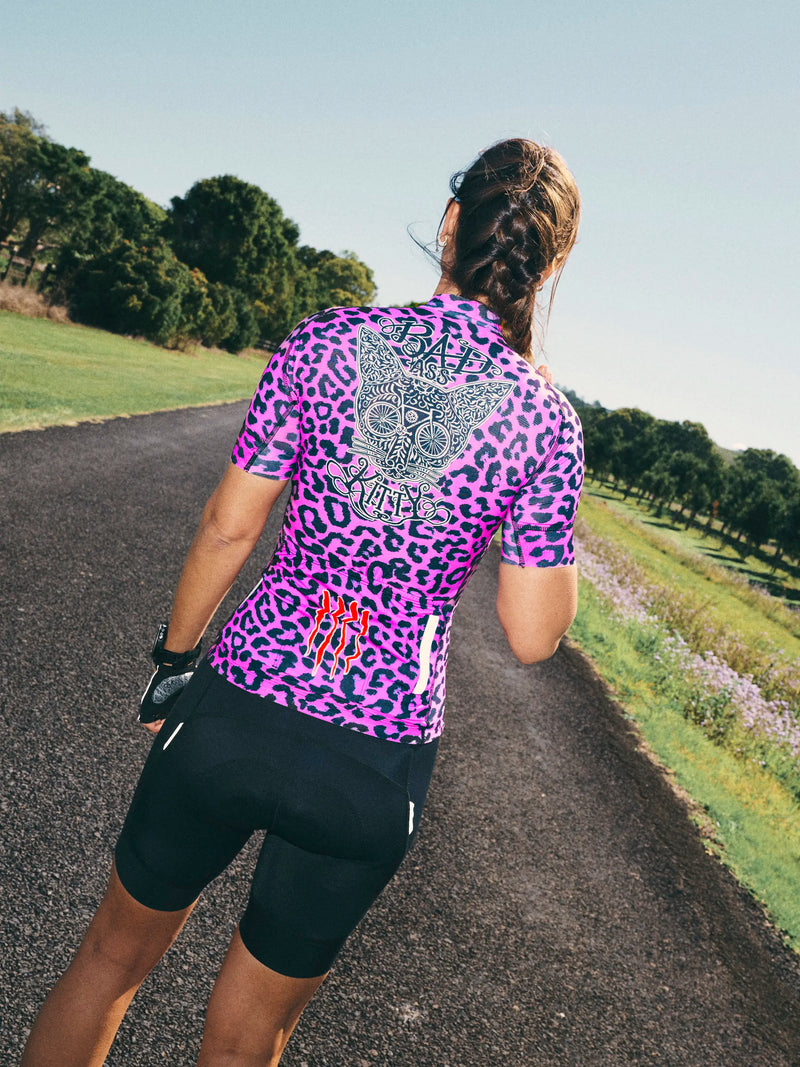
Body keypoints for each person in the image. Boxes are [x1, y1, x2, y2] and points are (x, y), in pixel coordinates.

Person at [21, 137, 583, 1066]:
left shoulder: (330, 341)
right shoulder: (543, 421)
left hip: (238, 702)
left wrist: (173, 664)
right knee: (247, 1041)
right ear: (550, 263)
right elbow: (531, 633)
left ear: (450, 224)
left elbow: (228, 527)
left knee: (109, 961)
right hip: (372, 761)